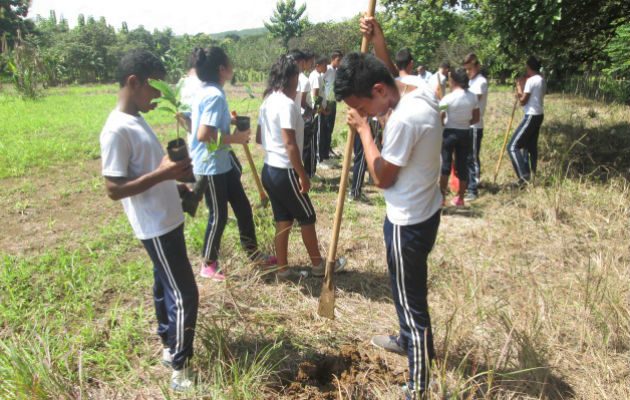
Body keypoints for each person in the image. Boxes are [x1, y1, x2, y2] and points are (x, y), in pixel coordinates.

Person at [337, 16, 443, 400]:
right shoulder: (418, 91)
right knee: (405, 292)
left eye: (361, 105)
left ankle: (418, 384)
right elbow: (389, 78)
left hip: (407, 222)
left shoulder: (403, 121)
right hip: (426, 209)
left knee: (410, 300)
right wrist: (377, 38)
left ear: (377, 91)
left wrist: (365, 131)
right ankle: (406, 339)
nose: (361, 111)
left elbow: (382, 177)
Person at [99, 49, 198, 391]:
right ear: (133, 82)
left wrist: (177, 180)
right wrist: (165, 174)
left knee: (163, 285)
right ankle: (181, 370)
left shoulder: (136, 121)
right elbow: (113, 188)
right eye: (153, 89)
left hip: (167, 219)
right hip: (155, 225)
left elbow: (151, 170)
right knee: (186, 295)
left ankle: (169, 347)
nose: (158, 97)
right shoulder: (115, 130)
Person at [189, 46, 276, 281]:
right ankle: (208, 263)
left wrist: (230, 120)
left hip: (221, 163)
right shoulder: (214, 95)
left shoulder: (207, 90)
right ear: (221, 69)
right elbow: (204, 135)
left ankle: (253, 253)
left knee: (243, 208)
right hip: (210, 166)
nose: (232, 66)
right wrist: (236, 138)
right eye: (229, 62)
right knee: (219, 215)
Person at [257, 56, 346, 278]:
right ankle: (318, 266)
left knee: (283, 220)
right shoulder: (287, 105)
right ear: (292, 78)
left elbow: (260, 137)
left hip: (269, 170)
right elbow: (289, 144)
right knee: (307, 216)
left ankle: (283, 269)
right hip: (285, 171)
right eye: (297, 75)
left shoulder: (267, 101)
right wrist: (302, 174)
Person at [438, 68, 480, 207]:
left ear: (453, 81)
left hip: (449, 132)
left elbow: (440, 116)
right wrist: (465, 123)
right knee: (462, 165)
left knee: (445, 165)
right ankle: (460, 197)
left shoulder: (447, 98)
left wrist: (444, 124)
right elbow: (476, 117)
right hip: (465, 132)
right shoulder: (473, 97)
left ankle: (442, 197)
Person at [508, 56, 545, 184]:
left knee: (512, 146)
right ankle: (532, 175)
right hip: (539, 115)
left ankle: (523, 177)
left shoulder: (531, 81)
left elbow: (523, 101)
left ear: (529, 67)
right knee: (530, 147)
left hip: (531, 115)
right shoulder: (541, 79)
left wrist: (518, 87)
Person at [463, 53, 488, 201]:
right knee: (469, 156)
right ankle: (470, 183)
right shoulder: (471, 82)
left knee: (472, 157)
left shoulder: (480, 82)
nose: (468, 72)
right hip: (468, 124)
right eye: (465, 69)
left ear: (477, 66)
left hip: (475, 124)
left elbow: (472, 101)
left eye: (470, 69)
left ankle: (473, 187)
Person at [319, 50, 344, 166]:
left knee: (331, 127)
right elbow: (320, 82)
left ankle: (328, 149)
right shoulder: (327, 69)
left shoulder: (337, 71)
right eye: (338, 60)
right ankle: (323, 153)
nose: (340, 62)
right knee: (325, 127)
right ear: (333, 59)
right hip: (327, 101)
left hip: (333, 101)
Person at [309, 55, 328, 173]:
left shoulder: (318, 75)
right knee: (318, 136)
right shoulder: (315, 76)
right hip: (318, 111)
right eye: (324, 65)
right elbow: (315, 95)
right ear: (317, 65)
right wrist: (320, 109)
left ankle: (320, 158)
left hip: (320, 109)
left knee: (320, 134)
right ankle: (318, 159)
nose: (326, 67)